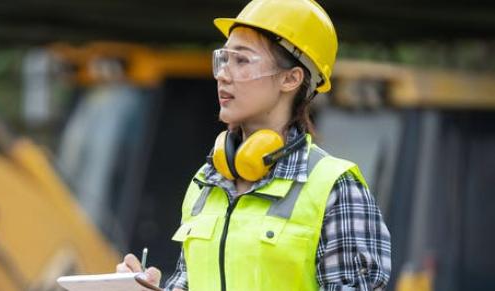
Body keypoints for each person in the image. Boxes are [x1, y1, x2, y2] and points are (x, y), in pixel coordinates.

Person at [116, 0, 392, 290]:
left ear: (290, 78)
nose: (223, 74)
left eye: (242, 61)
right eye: (223, 59)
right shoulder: (205, 183)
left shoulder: (335, 188)